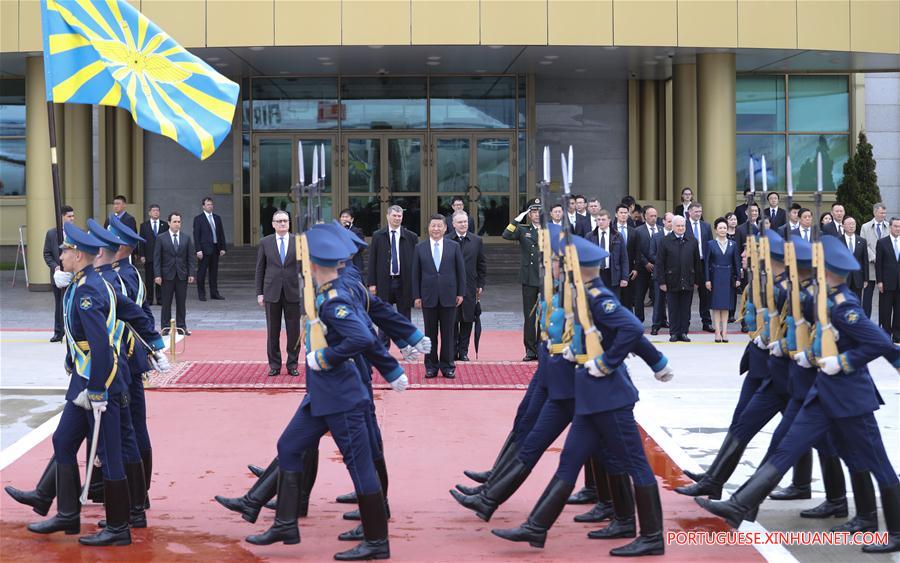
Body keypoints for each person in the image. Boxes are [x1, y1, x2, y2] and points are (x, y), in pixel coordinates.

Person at [696, 236, 900, 555]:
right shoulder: (821, 297)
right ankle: (740, 505)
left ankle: (896, 530)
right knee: (786, 447)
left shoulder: (844, 305)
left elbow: (880, 343)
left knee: (875, 464)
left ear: (829, 270)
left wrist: (844, 361)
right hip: (821, 394)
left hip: (851, 401)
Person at [245, 228, 395, 560]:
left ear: (314, 263)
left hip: (341, 395)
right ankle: (285, 523)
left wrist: (325, 356)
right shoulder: (323, 290)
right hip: (322, 393)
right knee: (288, 446)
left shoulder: (334, 296)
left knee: (359, 466)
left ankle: (377, 541)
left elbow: (362, 338)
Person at [24, 222, 164, 547]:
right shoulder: (87, 281)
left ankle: (118, 528)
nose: (61, 255)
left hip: (99, 383)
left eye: (65, 251)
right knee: (63, 441)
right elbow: (131, 311)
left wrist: (98, 389)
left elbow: (100, 345)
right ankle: (68, 514)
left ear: (78, 255)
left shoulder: (89, 289)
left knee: (111, 451)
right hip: (86, 380)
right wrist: (155, 341)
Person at [413, 215, 466, 378]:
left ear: (445, 228)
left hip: (449, 295)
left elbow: (460, 271)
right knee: (429, 334)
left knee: (448, 333)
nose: (436, 229)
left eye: (439, 226)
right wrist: (416, 296)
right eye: (433, 226)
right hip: (428, 296)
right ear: (428, 228)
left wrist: (461, 293)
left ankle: (448, 365)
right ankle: (431, 366)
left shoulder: (454, 246)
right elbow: (415, 274)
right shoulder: (420, 248)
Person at [256, 210, 301, 377]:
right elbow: (260, 268)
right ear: (273, 224)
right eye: (279, 221)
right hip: (271, 292)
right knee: (272, 331)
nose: (283, 224)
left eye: (285, 221)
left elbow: (304, 268)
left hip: (293, 291)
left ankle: (292, 364)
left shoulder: (298, 241)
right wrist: (259, 292)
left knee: (293, 331)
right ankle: (274, 365)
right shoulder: (265, 242)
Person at [503, 198, 543, 361]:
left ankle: (542, 348)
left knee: (544, 314)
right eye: (533, 211)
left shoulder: (549, 229)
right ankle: (530, 350)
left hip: (545, 277)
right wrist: (517, 218)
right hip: (529, 277)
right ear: (529, 214)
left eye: (539, 211)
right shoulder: (522, 229)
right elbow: (506, 234)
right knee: (529, 316)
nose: (537, 214)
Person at [368, 205, 419, 333]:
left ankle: (407, 346)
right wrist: (372, 283)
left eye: (399, 216)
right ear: (387, 216)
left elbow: (416, 263)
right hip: (384, 281)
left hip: (404, 281)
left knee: (405, 316)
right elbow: (372, 260)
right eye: (394, 216)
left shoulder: (411, 237)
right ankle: (384, 347)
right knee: (384, 315)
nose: (397, 218)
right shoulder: (378, 236)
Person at [447, 211, 486, 362]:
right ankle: (452, 351)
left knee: (467, 319)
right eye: (460, 222)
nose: (463, 224)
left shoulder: (476, 240)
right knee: (451, 320)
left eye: (465, 222)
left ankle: (463, 351)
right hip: (451, 286)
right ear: (453, 224)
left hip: (470, 286)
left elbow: (481, 264)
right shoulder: (447, 239)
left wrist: (480, 284)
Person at [657, 215, 702, 342]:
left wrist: (697, 280)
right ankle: (674, 333)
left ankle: (683, 332)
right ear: (673, 226)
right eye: (678, 226)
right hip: (671, 280)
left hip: (688, 279)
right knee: (673, 308)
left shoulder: (692, 241)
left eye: (683, 226)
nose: (681, 228)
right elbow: (660, 263)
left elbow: (697, 262)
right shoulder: (665, 241)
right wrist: (662, 281)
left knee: (685, 308)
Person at [154, 212, 196, 336]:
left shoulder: (186, 238)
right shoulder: (161, 238)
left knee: (181, 302)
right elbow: (157, 258)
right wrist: (157, 275)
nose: (177, 224)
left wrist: (191, 273)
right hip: (166, 275)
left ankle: (181, 326)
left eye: (179, 222)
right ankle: (165, 327)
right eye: (174, 222)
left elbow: (191, 257)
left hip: (182, 275)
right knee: (166, 302)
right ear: (169, 223)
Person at [705, 218, 741, 342]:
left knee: (726, 306)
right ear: (716, 230)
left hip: (728, 277)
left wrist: (738, 278)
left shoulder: (733, 244)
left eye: (725, 228)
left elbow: (737, 262)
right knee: (716, 306)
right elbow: (706, 263)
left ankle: (725, 332)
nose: (723, 230)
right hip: (715, 276)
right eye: (720, 228)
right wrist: (707, 280)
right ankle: (717, 332)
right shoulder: (710, 244)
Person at [43, 206, 76, 342]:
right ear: (62, 216)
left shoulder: (78, 233)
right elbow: (47, 253)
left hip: (74, 275)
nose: (72, 219)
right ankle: (58, 332)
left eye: (73, 216)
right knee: (59, 303)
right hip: (59, 276)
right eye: (69, 216)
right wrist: (55, 267)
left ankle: (73, 331)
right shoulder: (52, 234)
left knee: (73, 302)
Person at [685, 203, 714, 332]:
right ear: (689, 212)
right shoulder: (683, 225)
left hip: (703, 263)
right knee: (687, 294)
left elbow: (710, 245)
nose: (698, 214)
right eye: (696, 211)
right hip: (689, 264)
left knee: (705, 294)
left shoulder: (706, 226)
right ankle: (685, 322)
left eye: (700, 211)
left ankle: (706, 322)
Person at [587, 209, 628, 299]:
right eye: (599, 219)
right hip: (596, 274)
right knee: (597, 301)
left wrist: (624, 278)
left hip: (613, 273)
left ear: (609, 220)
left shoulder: (617, 235)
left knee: (613, 301)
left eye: (603, 219)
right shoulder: (590, 236)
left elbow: (624, 258)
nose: (601, 222)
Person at [193, 196, 227, 301]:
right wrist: (198, 250)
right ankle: (201, 294)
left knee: (214, 273)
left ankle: (214, 293)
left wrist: (222, 247)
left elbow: (221, 233)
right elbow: (196, 235)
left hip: (215, 248)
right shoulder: (198, 219)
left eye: (211, 204)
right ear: (203, 206)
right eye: (208, 204)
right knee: (202, 273)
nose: (210, 206)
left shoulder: (217, 218)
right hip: (204, 250)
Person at [632, 205, 660, 323]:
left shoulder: (661, 229)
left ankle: (660, 320)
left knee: (659, 297)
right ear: (645, 217)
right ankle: (639, 320)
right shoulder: (638, 231)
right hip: (643, 269)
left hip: (658, 268)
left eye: (655, 216)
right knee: (639, 296)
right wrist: (646, 263)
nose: (654, 218)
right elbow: (636, 250)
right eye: (651, 216)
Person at [860, 203, 889, 317]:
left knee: (885, 298)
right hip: (871, 268)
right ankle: (866, 321)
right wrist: (875, 258)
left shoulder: (889, 226)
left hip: (885, 269)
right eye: (882, 213)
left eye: (885, 213)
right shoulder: (865, 227)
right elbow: (863, 245)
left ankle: (883, 323)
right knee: (867, 298)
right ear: (875, 212)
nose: (884, 215)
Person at [874, 218, 900, 343]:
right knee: (885, 310)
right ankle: (885, 335)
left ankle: (897, 334)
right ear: (890, 227)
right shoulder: (882, 242)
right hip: (886, 283)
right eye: (895, 226)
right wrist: (879, 281)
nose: (898, 229)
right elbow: (878, 264)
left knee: (899, 310)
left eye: (899, 226)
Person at [138, 204, 168, 306]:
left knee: (160, 278)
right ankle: (149, 299)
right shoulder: (144, 226)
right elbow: (141, 242)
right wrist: (142, 255)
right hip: (149, 256)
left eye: (157, 210)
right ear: (149, 213)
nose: (156, 212)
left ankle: (160, 299)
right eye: (154, 210)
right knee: (149, 279)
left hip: (162, 257)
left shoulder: (165, 225)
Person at [648, 212, 672, 335]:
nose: (671, 224)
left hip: (674, 274)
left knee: (673, 301)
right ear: (663, 221)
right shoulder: (656, 236)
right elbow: (651, 254)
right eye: (669, 221)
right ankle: (656, 325)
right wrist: (663, 261)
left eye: (673, 222)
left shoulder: (677, 235)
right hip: (660, 272)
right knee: (658, 300)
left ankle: (672, 324)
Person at [613, 204, 638, 311]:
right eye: (621, 213)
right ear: (616, 214)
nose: (623, 215)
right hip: (613, 269)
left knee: (628, 300)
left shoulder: (633, 231)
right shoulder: (611, 229)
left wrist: (636, 268)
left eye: (625, 213)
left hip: (629, 270)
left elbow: (637, 251)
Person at [843, 217, 869, 300]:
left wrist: (866, 279)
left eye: (853, 224)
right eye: (849, 224)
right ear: (843, 226)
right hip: (843, 278)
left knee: (856, 302)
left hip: (858, 278)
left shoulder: (862, 241)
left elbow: (865, 261)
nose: (851, 226)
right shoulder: (838, 240)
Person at [340, 208, 366, 273]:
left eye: (347, 217)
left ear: (352, 219)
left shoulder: (357, 231)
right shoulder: (338, 231)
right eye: (342, 217)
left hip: (354, 263)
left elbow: (361, 246)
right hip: (341, 264)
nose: (344, 219)